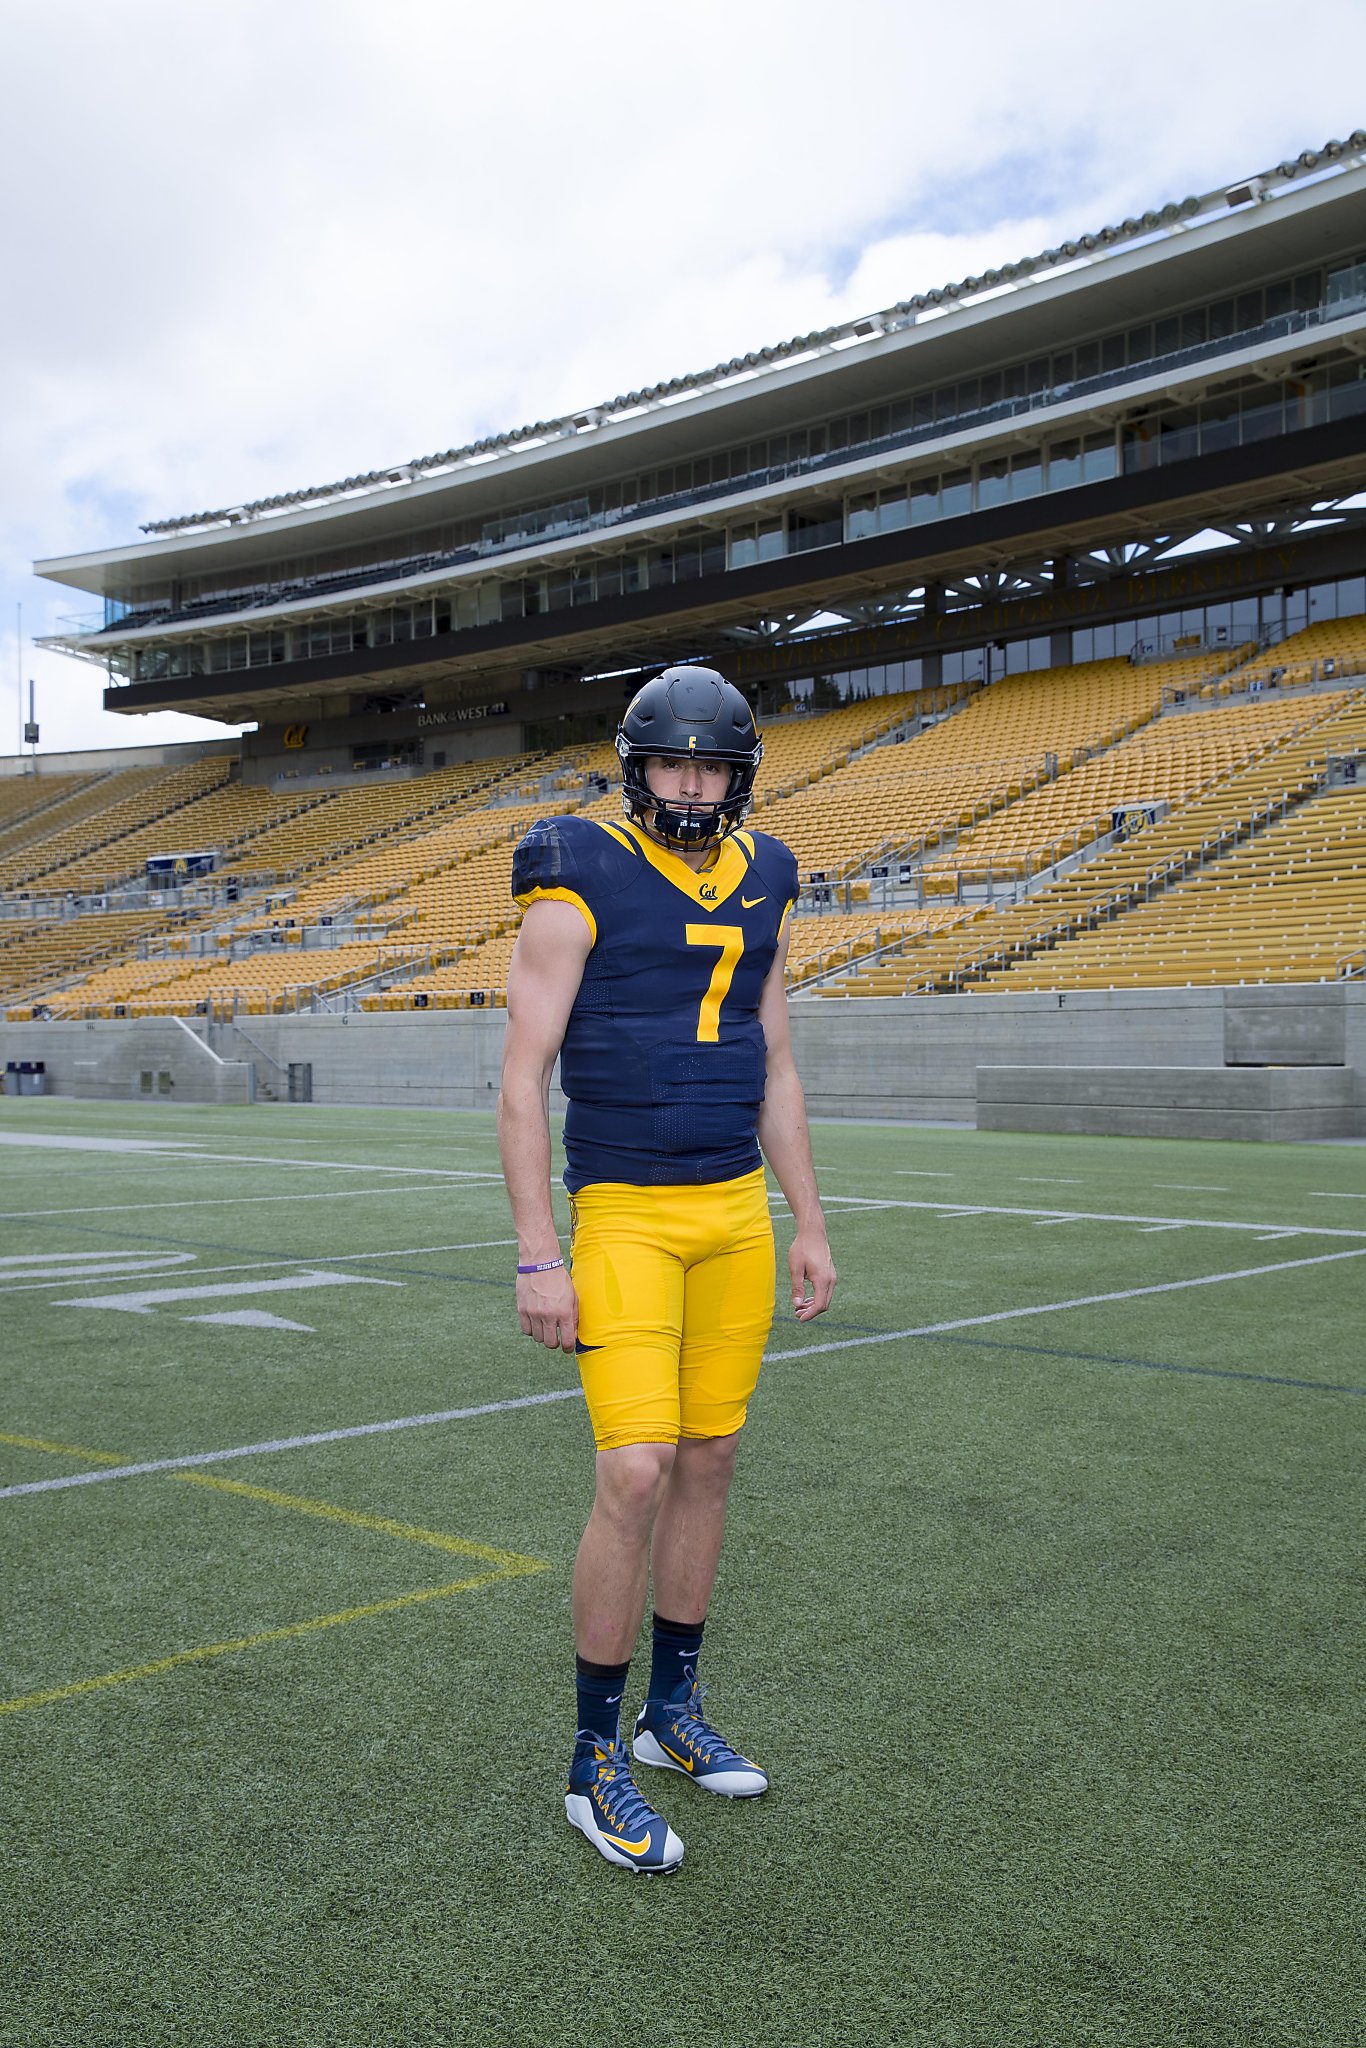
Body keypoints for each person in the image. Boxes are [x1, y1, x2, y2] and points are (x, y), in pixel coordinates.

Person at [497, 665, 836, 1875]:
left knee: (709, 1458)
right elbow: (520, 1077)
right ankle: (594, 1761)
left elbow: (777, 1058)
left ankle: (667, 1716)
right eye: (672, 763)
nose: (690, 785)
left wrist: (806, 1216)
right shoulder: (572, 871)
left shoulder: (771, 877)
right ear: (635, 767)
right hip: (627, 1215)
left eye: (711, 766)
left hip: (733, 1212)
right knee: (632, 1472)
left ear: (737, 775)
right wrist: (541, 1250)